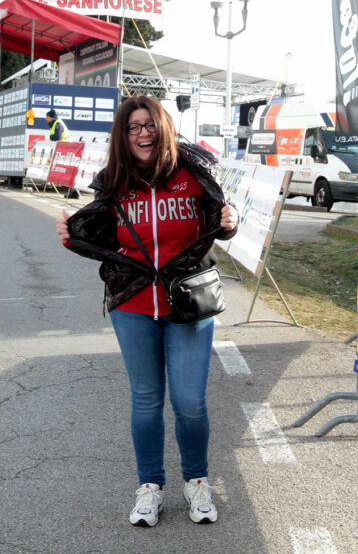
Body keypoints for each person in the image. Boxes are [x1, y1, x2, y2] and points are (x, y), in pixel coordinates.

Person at [55, 95, 239, 529]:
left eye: (150, 125)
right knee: (146, 400)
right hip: (133, 306)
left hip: (188, 306)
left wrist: (231, 221)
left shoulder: (193, 174)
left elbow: (221, 220)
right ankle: (150, 488)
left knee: (190, 402)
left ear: (164, 129)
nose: (143, 133)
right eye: (134, 127)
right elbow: (97, 232)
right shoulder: (113, 182)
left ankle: (196, 481)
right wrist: (72, 232)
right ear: (124, 135)